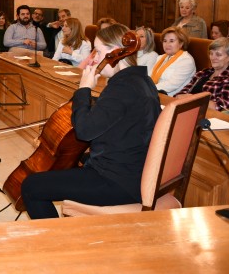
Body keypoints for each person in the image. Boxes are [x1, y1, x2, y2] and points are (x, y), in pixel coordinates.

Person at [21, 24, 161, 219]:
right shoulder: (141, 81)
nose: (94, 57)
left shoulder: (120, 88)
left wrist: (83, 90)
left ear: (115, 52)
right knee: (73, 161)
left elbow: (84, 131)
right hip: (133, 168)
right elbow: (117, 113)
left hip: (117, 180)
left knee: (31, 186)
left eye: (98, 51)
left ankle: (55, 243)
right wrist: (89, 102)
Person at [178, 37, 229, 112]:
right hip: (187, 111)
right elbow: (179, 95)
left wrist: (191, 98)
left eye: (218, 55)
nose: (213, 57)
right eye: (211, 53)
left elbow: (222, 107)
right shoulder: (203, 73)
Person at [150, 26, 196, 96]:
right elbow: (149, 76)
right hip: (153, 93)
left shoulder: (186, 60)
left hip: (170, 98)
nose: (167, 44)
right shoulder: (160, 57)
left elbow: (172, 84)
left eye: (171, 41)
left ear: (181, 43)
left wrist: (148, 88)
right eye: (165, 41)